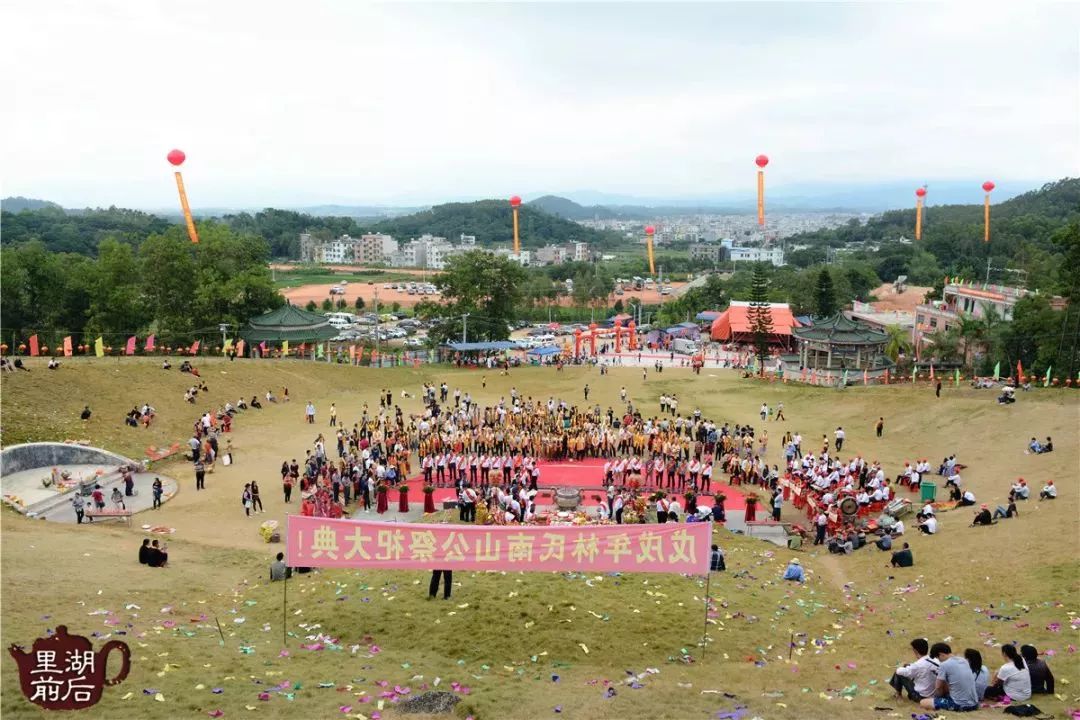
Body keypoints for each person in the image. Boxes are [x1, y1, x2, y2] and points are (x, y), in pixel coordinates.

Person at [919, 642, 979, 712]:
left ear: (941, 655)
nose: (939, 661)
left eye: (938, 658)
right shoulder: (964, 661)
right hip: (974, 704)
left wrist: (937, 698)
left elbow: (938, 687)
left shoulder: (944, 665)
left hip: (959, 705)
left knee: (923, 702)